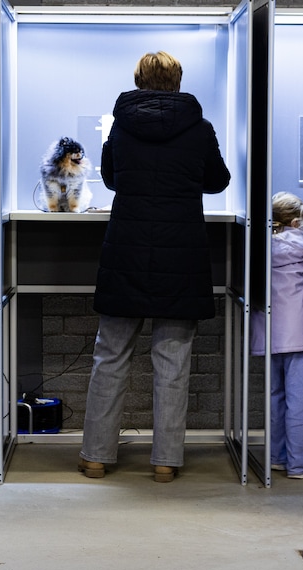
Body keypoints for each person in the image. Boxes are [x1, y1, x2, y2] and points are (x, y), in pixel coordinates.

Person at [78, 51, 232, 483]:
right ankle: (165, 461)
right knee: (173, 361)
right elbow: (218, 181)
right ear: (178, 81)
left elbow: (110, 179)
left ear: (139, 80)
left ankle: (95, 456)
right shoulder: (199, 129)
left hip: (126, 251)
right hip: (181, 253)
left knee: (109, 357)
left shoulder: (120, 128)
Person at [250, 192, 303, 479]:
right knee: (299, 400)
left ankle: (277, 457)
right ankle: (301, 464)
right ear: (294, 222)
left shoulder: (258, 247)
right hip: (298, 334)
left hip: (266, 332)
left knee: (275, 398)